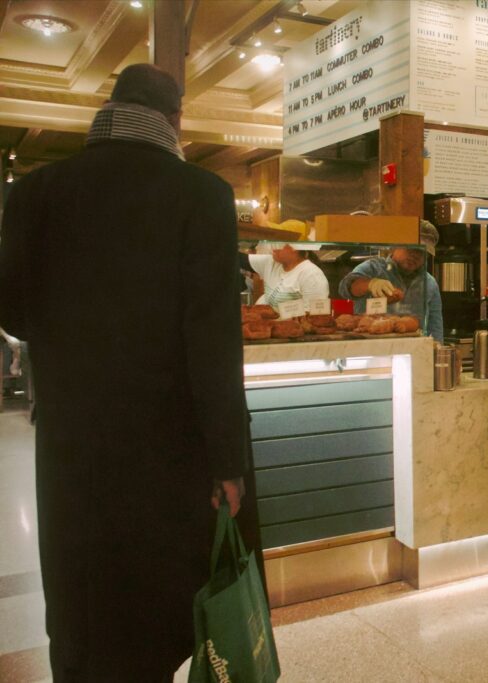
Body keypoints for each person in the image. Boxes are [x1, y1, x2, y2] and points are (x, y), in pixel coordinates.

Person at [0, 64, 251, 681]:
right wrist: (227, 462)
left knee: (81, 604)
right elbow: (211, 339)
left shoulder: (36, 190)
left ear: (110, 109)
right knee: (153, 613)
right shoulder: (201, 194)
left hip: (71, 444)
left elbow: (12, 311)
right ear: (175, 120)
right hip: (167, 452)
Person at [338, 219, 444, 343]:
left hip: (412, 353)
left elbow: (435, 327)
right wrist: (370, 284)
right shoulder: (373, 268)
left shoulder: (430, 283)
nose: (415, 255)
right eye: (411, 249)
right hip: (369, 348)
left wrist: (438, 352)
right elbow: (345, 288)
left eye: (422, 252)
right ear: (395, 246)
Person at [241, 241, 329, 311]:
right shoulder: (271, 262)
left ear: (295, 248)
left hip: (292, 331)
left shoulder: (312, 275)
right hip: (269, 327)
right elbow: (239, 259)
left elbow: (316, 317)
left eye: (278, 245)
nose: (273, 249)